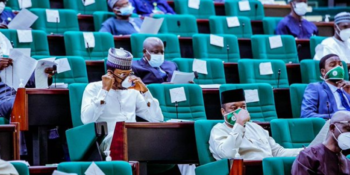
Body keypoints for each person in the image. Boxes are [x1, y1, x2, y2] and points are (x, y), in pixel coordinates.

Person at [81, 48, 163, 152]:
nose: (127, 78)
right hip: (108, 141)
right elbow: (86, 120)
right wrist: (104, 91)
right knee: (123, 140)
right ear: (110, 73)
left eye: (129, 73)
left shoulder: (133, 91)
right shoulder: (93, 88)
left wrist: (145, 92)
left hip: (135, 138)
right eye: (123, 74)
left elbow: (157, 119)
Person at [209, 89, 302, 160]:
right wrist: (239, 124)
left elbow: (278, 152)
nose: (240, 111)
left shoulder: (255, 127)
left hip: (269, 168)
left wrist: (304, 151)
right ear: (223, 111)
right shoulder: (218, 130)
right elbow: (228, 154)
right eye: (234, 108)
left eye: (243, 107)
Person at [301, 54, 350, 119]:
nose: (338, 68)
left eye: (340, 65)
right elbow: (306, 115)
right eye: (333, 65)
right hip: (333, 126)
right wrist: (339, 116)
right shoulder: (315, 88)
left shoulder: (348, 87)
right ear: (323, 72)